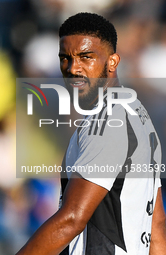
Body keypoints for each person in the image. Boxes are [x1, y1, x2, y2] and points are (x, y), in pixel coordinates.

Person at [16, 12, 166, 255]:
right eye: (65, 58)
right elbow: (155, 225)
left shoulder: (108, 122)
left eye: (86, 57)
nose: (73, 68)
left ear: (112, 62)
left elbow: (72, 219)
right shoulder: (137, 116)